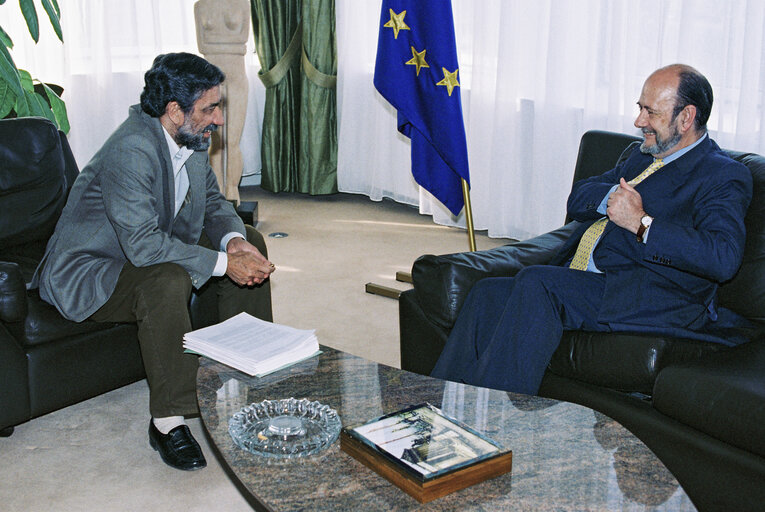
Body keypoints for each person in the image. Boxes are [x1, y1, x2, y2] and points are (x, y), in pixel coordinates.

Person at [431, 64, 753, 396]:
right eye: (639, 108)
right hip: (598, 280)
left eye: (650, 112)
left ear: (686, 118)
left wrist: (641, 223)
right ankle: (435, 409)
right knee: (487, 293)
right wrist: (613, 200)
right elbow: (580, 197)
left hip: (657, 294)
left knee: (539, 283)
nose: (639, 121)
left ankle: (495, 426)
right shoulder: (643, 156)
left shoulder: (721, 175)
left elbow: (722, 257)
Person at [32, 52, 274, 471]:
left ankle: (248, 378)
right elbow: (144, 248)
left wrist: (234, 242)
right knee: (166, 279)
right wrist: (221, 264)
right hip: (92, 269)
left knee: (249, 239)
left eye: (218, 107)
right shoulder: (131, 149)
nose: (218, 119)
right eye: (209, 109)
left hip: (142, 246)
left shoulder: (190, 136)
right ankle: (168, 420)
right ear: (174, 110)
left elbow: (214, 203)